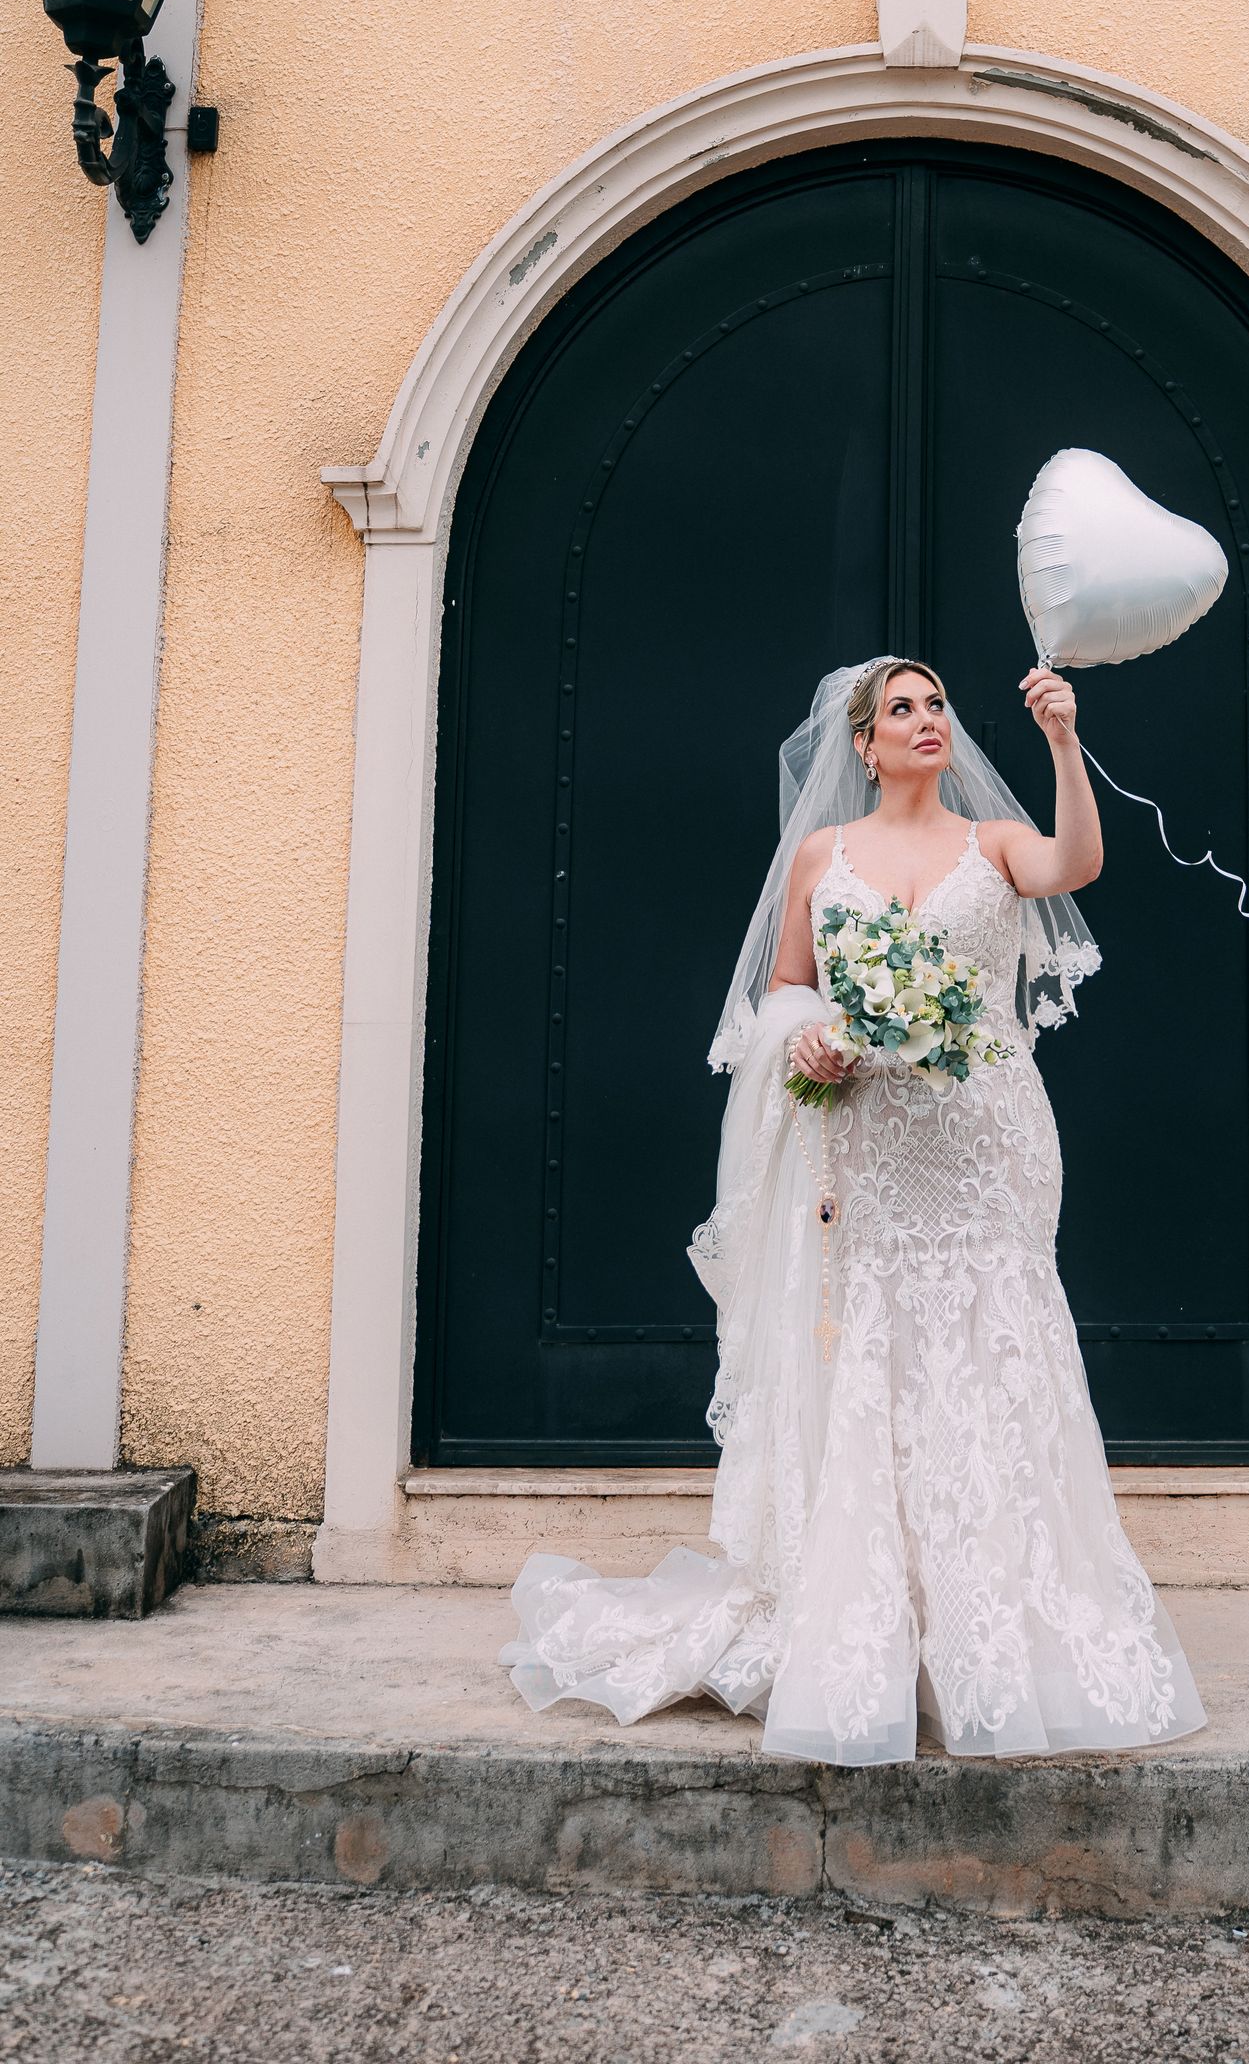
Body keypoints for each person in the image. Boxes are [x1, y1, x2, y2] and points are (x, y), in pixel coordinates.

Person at [501, 655, 1205, 1764]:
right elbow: (786, 987)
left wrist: (1064, 740)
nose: (926, 720)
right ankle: (878, 1625)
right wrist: (812, 1039)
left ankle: (998, 1632)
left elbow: (1078, 861)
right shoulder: (822, 856)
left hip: (987, 1143)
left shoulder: (994, 844)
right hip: (870, 1147)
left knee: (993, 1343)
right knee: (876, 1348)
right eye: (901, 710)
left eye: (936, 705)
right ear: (865, 746)